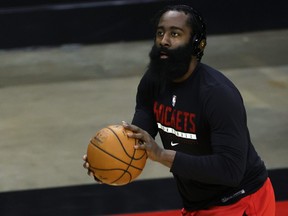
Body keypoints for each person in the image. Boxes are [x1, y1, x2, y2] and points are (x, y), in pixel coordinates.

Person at [83, 5, 275, 215]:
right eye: (160, 32)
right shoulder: (152, 82)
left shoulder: (218, 95)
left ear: (196, 44)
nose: (164, 40)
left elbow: (230, 170)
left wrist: (162, 155)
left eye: (175, 33)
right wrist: (105, 160)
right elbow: (138, 140)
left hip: (241, 200)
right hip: (198, 203)